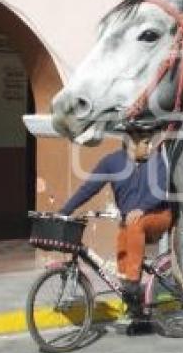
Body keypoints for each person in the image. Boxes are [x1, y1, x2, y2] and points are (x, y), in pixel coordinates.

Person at [60, 128, 171, 330]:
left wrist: (142, 208)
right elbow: (89, 187)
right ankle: (135, 308)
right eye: (145, 142)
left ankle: (133, 283)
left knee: (134, 224)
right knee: (123, 242)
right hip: (130, 222)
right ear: (131, 143)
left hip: (159, 216)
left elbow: (162, 189)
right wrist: (65, 211)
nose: (149, 146)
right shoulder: (112, 163)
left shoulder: (156, 161)